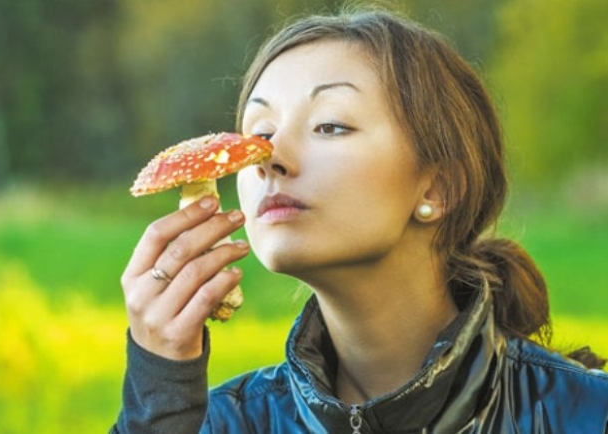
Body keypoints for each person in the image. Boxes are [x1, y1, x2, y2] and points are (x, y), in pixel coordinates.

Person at [112, 6, 608, 433]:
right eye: (259, 131)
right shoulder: (221, 423)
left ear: (440, 187)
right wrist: (160, 394)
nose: (268, 158)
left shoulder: (589, 414)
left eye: (330, 125)